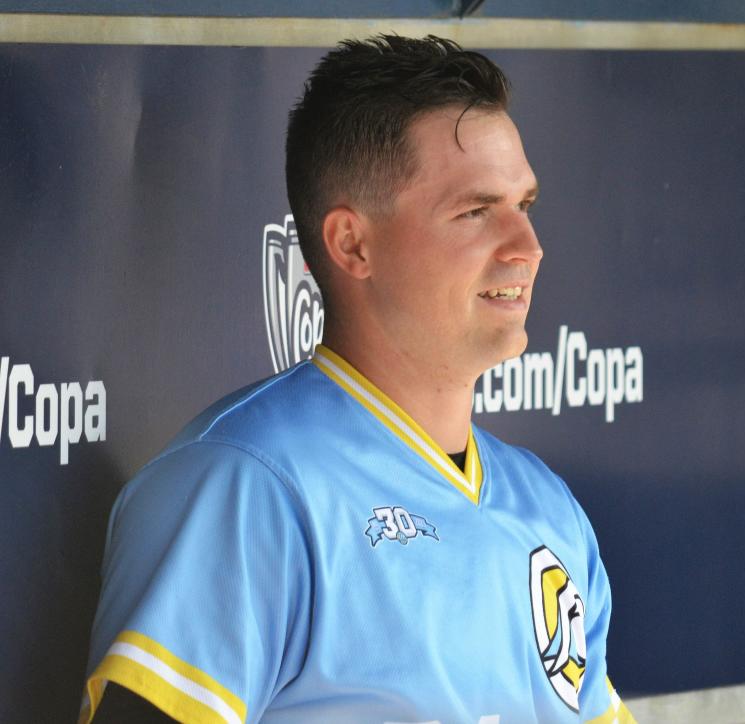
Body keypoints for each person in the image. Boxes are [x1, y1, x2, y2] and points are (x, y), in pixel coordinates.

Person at [82, 35, 636, 723]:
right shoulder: (245, 485)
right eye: (475, 211)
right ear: (352, 243)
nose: (527, 246)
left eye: (524, 205)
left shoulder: (549, 511)